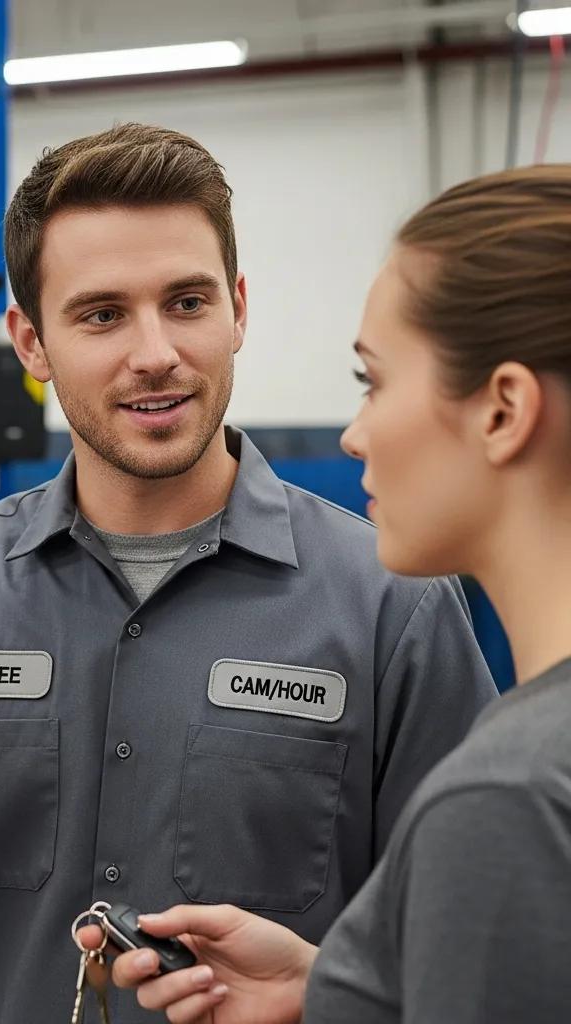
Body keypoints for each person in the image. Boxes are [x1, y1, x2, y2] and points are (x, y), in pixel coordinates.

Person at [0, 124, 497, 1023]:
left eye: (186, 302)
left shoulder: (394, 604)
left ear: (238, 310)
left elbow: (479, 949)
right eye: (102, 314)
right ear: (30, 344)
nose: (154, 352)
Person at [101, 163, 571, 1023]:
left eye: (374, 381)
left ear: (503, 410)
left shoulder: (507, 796)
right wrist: (338, 989)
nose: (354, 435)